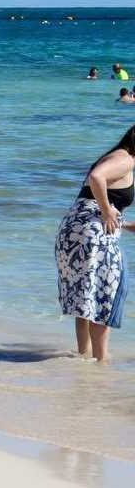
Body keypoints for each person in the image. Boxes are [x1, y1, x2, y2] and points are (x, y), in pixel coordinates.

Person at [55, 125, 135, 361]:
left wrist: (124, 224)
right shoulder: (126, 159)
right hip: (90, 235)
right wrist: (107, 212)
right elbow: (96, 178)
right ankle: (101, 364)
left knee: (86, 298)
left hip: (75, 233)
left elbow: (89, 201)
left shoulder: (116, 156)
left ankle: (84, 360)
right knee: (103, 298)